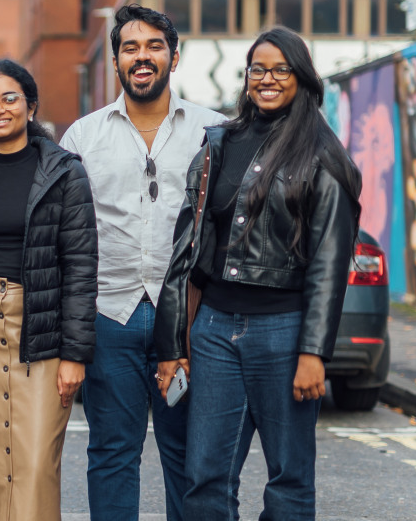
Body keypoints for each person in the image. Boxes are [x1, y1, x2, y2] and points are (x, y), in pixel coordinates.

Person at [154, 26, 362, 520]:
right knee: (204, 478)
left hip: (284, 332)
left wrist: (314, 353)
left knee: (289, 478)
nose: (267, 79)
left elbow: (330, 268)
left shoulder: (323, 155)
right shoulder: (219, 144)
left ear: (302, 78)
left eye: (280, 70)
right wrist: (173, 345)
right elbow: (187, 253)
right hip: (213, 331)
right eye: (257, 70)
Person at [58, 4, 228, 521]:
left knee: (188, 457)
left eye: (154, 46)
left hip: (188, 320)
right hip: (111, 314)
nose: (142, 56)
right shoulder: (82, 138)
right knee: (111, 454)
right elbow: (66, 237)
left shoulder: (215, 131)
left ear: (174, 57)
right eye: (130, 48)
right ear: (116, 62)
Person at [0, 60, 96, 521]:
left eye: (10, 99)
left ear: (31, 106)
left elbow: (81, 265)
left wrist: (75, 354)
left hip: (41, 327)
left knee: (33, 463)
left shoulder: (66, 173)